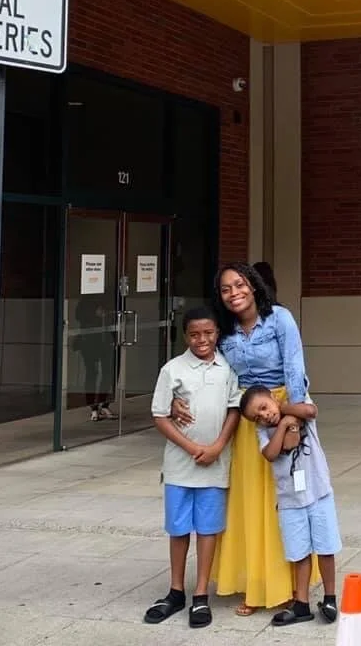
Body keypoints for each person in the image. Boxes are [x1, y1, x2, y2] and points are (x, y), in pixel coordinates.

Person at [170, 262, 319, 616]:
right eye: (225, 289)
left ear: (253, 287)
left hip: (283, 411)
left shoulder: (280, 319)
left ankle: (291, 589)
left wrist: (292, 420)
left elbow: (295, 368)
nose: (234, 293)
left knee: (287, 503)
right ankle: (256, 585)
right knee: (251, 507)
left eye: (239, 285)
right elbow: (205, 365)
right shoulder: (224, 332)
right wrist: (177, 395)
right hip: (246, 421)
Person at [144, 306, 240, 628]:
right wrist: (191, 447)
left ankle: (200, 594)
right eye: (195, 334)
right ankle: (175, 590)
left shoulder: (227, 368)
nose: (202, 340)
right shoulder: (172, 369)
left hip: (215, 464)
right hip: (179, 466)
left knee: (208, 529)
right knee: (179, 528)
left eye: (209, 333)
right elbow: (159, 414)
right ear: (185, 336)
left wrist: (216, 447)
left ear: (218, 334)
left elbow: (234, 411)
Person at [240, 384, 342, 627]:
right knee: (300, 553)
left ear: (274, 399)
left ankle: (330, 598)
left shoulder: (297, 408)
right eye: (257, 416)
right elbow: (273, 452)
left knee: (325, 547)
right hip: (290, 501)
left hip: (319, 493)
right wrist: (285, 424)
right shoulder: (263, 432)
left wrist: (285, 411)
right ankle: (302, 604)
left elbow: (311, 411)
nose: (264, 415)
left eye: (264, 407)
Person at [74, 296, 115, 421]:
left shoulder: (107, 300)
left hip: (105, 342)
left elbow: (113, 318)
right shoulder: (85, 301)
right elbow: (79, 317)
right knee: (92, 373)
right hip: (90, 342)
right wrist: (95, 314)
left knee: (108, 373)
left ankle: (104, 404)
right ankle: (93, 407)